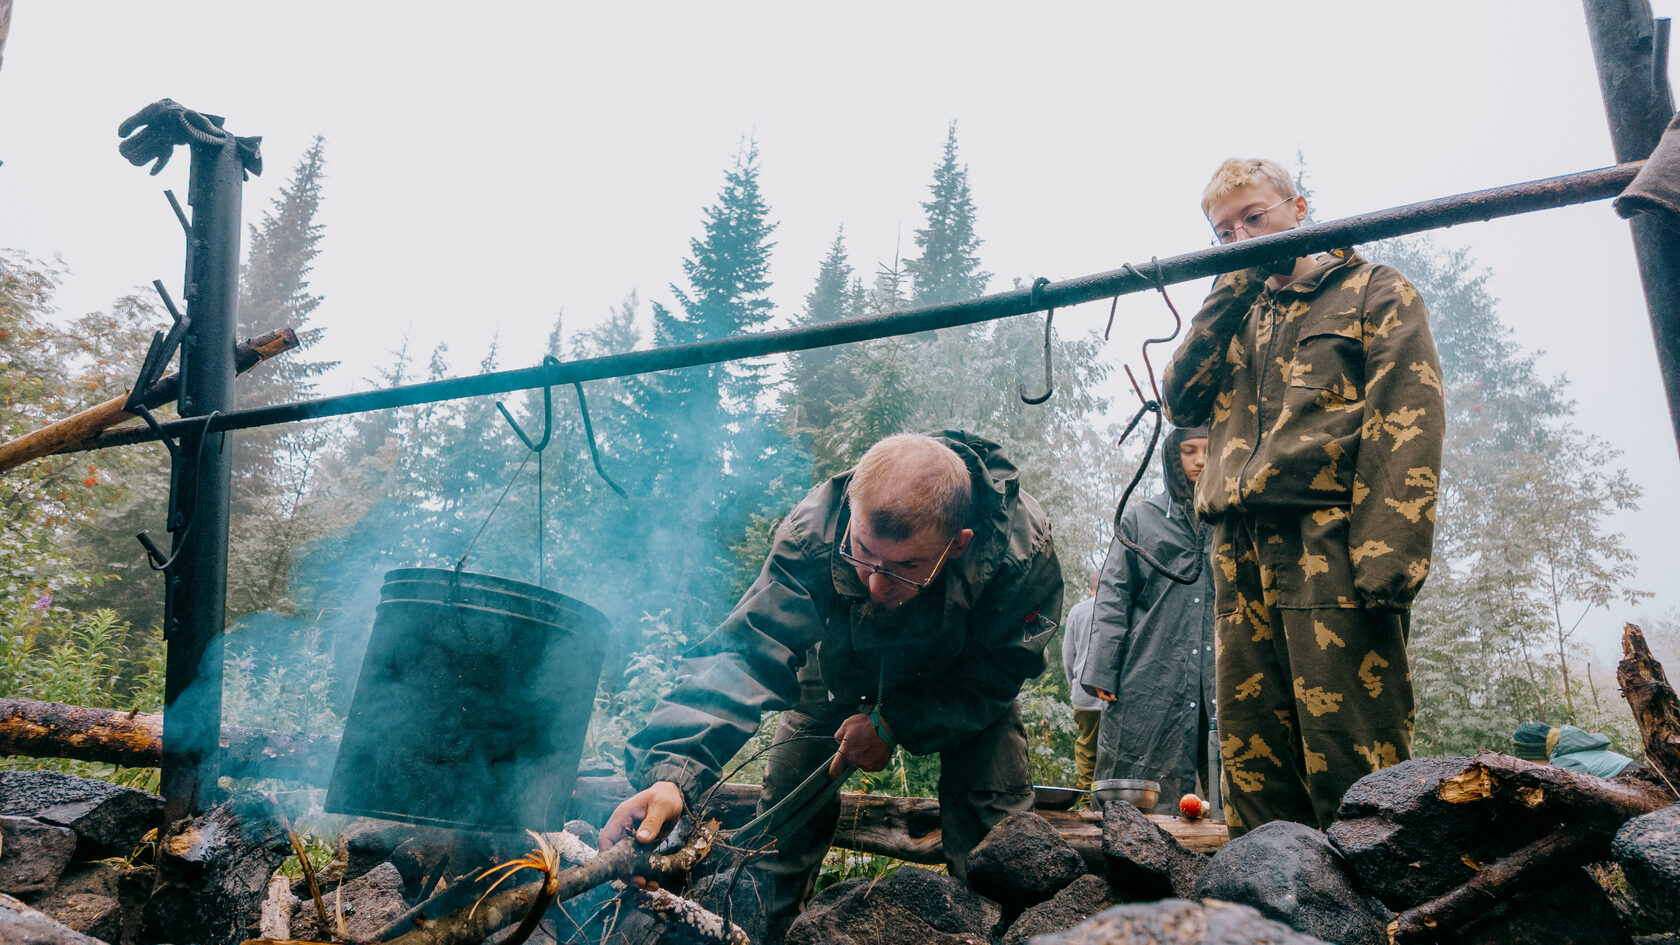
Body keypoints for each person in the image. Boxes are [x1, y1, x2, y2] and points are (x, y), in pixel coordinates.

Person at [601, 431, 1063, 931]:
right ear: (850, 512)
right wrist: (674, 770)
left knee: (998, 843)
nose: (877, 585)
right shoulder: (815, 531)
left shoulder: (1020, 552)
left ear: (958, 545)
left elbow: (1000, 669)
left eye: (906, 568)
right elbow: (748, 649)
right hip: (838, 671)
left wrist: (893, 724)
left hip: (962, 685)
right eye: (863, 552)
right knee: (780, 830)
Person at [1160, 157, 1444, 835]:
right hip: (1237, 547)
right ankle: (1269, 916)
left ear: (1300, 207)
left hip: (1331, 544)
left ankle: (1372, 919)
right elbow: (1181, 398)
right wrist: (1230, 282)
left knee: (1352, 747)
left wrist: (1386, 562)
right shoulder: (1239, 311)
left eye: (1253, 218)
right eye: (1224, 233)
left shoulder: (1376, 291)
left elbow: (1407, 420)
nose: (1242, 237)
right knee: (1254, 754)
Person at [1080, 425, 1216, 807]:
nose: (1200, 460)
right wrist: (1103, 668)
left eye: (1207, 450)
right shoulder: (1141, 519)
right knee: (1141, 788)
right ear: (1173, 457)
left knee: (1233, 787)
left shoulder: (1230, 520)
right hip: (1151, 669)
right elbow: (1113, 595)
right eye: (1189, 451)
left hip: (1221, 673)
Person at [1060, 573, 1103, 792]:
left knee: (1087, 751)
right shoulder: (1121, 610)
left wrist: (1075, 685)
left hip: (1085, 695)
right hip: (1116, 696)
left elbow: (1068, 656)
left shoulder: (1077, 611)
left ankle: (1087, 801)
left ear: (1090, 588)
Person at [1512, 722, 1635, 777]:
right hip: (1635, 770)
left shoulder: (1562, 763)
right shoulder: (1570, 747)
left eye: (1531, 762)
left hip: (1632, 777)